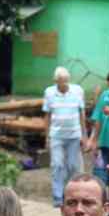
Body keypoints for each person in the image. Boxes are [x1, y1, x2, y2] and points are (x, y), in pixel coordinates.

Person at [42, 66, 87, 207]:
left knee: (73, 166)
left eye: (66, 81)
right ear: (56, 81)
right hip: (56, 136)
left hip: (74, 135)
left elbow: (82, 114)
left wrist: (84, 135)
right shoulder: (49, 93)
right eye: (61, 81)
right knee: (57, 164)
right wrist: (46, 136)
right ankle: (58, 198)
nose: (64, 84)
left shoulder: (78, 91)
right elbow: (47, 116)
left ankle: (71, 195)